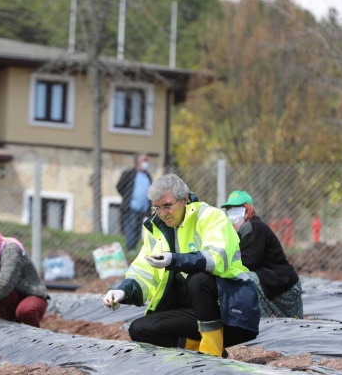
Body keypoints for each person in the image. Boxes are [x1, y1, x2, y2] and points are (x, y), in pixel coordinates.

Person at [103, 174, 260, 357]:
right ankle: (198, 347)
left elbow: (217, 258)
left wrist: (174, 259)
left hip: (229, 311)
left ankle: (212, 350)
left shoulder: (210, 217)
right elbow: (144, 272)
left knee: (198, 278)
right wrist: (123, 291)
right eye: (157, 207)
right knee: (140, 330)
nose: (162, 213)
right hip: (191, 312)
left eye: (167, 206)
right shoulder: (158, 230)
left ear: (184, 199)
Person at [222, 190, 304, 319]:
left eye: (236, 208)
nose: (232, 213)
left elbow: (247, 263)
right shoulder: (240, 231)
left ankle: (258, 322)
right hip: (273, 284)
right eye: (229, 209)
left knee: (242, 277)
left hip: (286, 289)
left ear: (248, 210)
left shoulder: (254, 227)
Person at [117, 153, 153, 252]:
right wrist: (127, 197)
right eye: (144, 160)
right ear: (137, 162)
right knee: (130, 227)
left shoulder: (147, 176)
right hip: (131, 207)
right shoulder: (129, 174)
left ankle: (133, 248)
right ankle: (130, 248)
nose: (146, 163)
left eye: (147, 160)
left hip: (143, 208)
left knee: (137, 229)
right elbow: (120, 186)